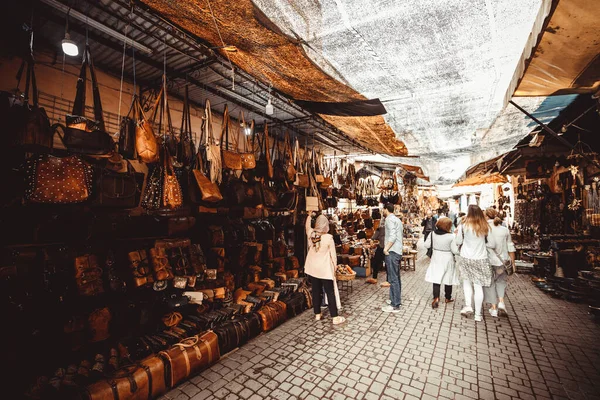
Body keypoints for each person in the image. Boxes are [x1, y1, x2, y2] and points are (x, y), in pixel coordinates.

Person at [454, 205, 496, 322]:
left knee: (467, 283)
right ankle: (478, 315)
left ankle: (468, 306)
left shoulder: (464, 226)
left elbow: (458, 241)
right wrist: (482, 244)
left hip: (466, 257)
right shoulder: (485, 226)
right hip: (481, 258)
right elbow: (491, 244)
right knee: (478, 286)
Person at [304, 213, 345, 324]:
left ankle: (317, 314)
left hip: (312, 268)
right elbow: (333, 255)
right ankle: (335, 317)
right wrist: (335, 267)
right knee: (330, 292)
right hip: (325, 270)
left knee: (316, 291)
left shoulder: (311, 234)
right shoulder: (328, 238)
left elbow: (307, 227)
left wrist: (309, 215)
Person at [484, 208, 515, 317]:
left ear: (486, 216)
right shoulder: (504, 230)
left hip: (488, 260)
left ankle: (494, 308)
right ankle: (501, 302)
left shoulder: (484, 228)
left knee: (490, 283)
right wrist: (513, 263)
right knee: (501, 281)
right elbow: (510, 246)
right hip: (503, 260)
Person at [424, 217, 460, 308]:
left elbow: (426, 245)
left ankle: (436, 298)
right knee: (448, 278)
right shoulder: (451, 236)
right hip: (448, 257)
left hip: (436, 256)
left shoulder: (432, 234)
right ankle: (448, 297)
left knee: (436, 278)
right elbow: (455, 251)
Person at [382, 203, 403, 313]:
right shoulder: (397, 219)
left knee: (393, 278)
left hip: (392, 251)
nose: (382, 211)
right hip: (397, 250)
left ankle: (395, 305)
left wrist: (386, 248)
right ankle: (395, 299)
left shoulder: (389, 219)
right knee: (396, 277)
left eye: (383, 209)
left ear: (386, 209)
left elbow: (393, 236)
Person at [367, 213, 387, 286]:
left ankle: (387, 280)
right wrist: (372, 239)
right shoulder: (383, 224)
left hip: (385, 246)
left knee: (383, 263)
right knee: (377, 262)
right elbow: (378, 232)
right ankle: (375, 278)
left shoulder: (385, 224)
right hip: (383, 246)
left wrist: (373, 239)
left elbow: (378, 232)